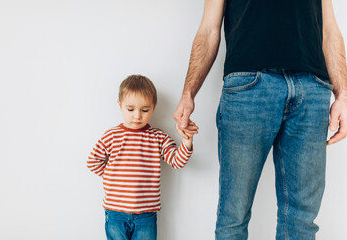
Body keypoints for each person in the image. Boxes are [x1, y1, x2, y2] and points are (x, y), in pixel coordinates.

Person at [174, 0, 347, 239]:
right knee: (233, 217)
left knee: (302, 220)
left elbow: (329, 30)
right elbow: (209, 29)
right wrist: (188, 94)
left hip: (312, 87)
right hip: (249, 85)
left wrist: (343, 95)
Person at [87, 75, 198, 240]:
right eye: (130, 109)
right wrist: (114, 175)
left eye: (144, 110)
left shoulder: (158, 137)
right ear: (120, 105)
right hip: (115, 212)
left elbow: (177, 161)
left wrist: (187, 141)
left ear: (154, 107)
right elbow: (93, 162)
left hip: (146, 214)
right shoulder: (111, 136)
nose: (137, 116)